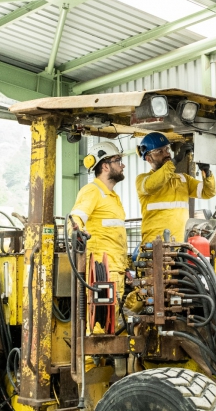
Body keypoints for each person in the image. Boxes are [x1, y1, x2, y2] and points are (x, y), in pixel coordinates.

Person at [68, 141, 127, 334]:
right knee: (99, 325)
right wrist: (77, 230)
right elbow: (76, 217)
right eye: (118, 160)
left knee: (112, 323)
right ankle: (90, 364)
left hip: (116, 269)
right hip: (102, 270)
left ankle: (104, 363)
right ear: (105, 166)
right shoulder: (93, 190)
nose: (123, 165)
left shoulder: (112, 197)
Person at [135, 132, 216, 244]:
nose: (167, 154)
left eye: (167, 149)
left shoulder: (183, 179)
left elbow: (208, 192)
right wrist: (175, 161)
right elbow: (153, 184)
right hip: (155, 247)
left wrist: (206, 172)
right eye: (160, 151)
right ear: (149, 159)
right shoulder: (143, 180)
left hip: (180, 247)